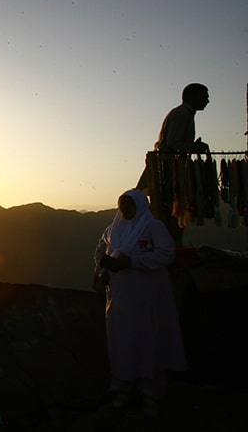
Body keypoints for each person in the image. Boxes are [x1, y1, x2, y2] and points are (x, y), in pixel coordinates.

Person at [93, 189, 187, 418]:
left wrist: (133, 262)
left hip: (147, 298)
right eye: (122, 203)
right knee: (122, 342)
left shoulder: (153, 227)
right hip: (120, 298)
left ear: (140, 205)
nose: (125, 208)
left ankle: (151, 394)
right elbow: (100, 253)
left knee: (148, 341)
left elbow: (166, 254)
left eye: (130, 204)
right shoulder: (113, 229)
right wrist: (102, 271)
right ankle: (122, 389)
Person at [136, 83, 210, 246]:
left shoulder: (183, 113)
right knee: (171, 211)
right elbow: (173, 143)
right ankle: (170, 249)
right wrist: (195, 147)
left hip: (169, 168)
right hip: (168, 170)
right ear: (192, 97)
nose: (207, 100)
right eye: (204, 96)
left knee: (170, 211)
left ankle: (170, 247)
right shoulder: (182, 114)